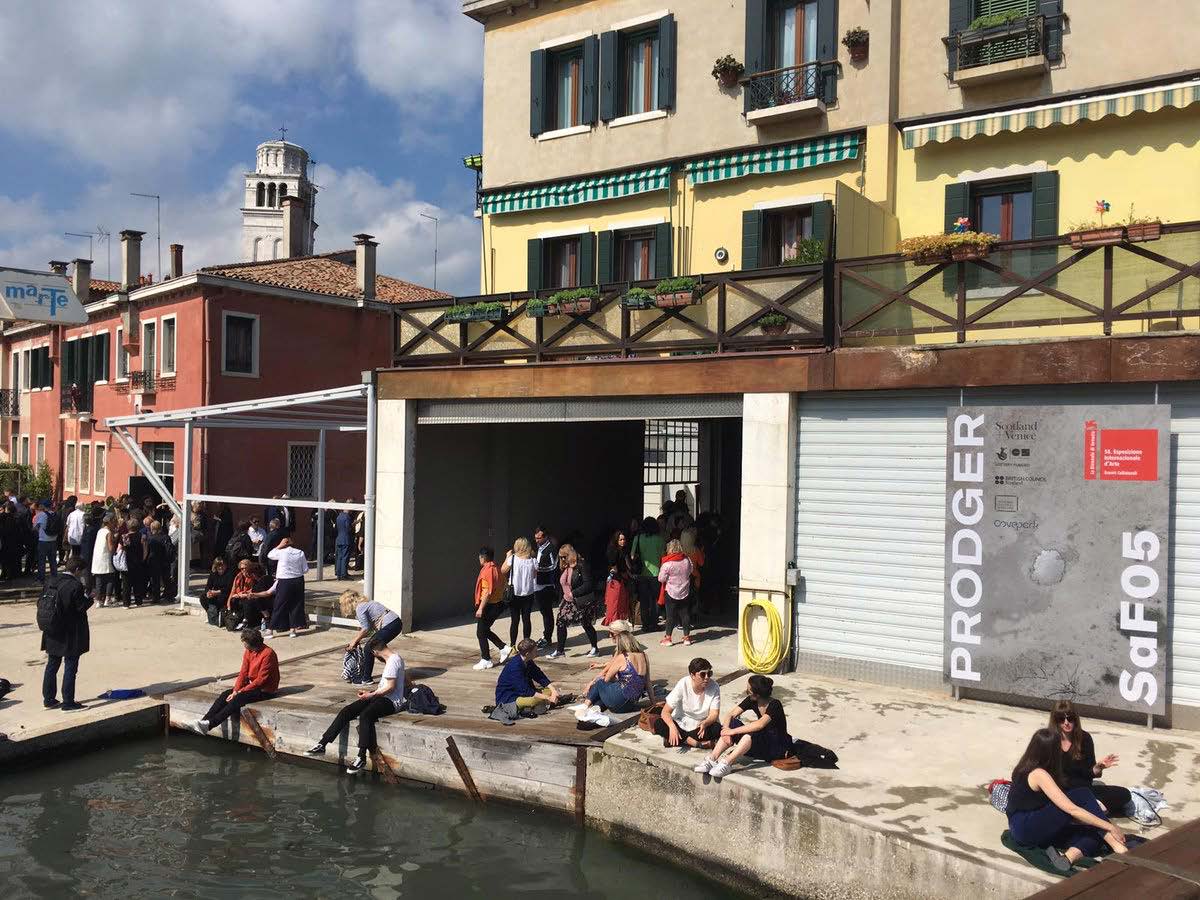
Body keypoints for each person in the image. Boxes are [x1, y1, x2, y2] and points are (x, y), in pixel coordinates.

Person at [1005, 728, 1128, 872]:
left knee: (1092, 829)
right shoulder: (1039, 774)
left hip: (1023, 828)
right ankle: (1117, 846)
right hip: (1026, 827)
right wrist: (1110, 826)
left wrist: (1094, 820)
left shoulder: (1024, 767)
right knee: (1082, 794)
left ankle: (1068, 857)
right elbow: (1071, 809)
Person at [305, 639, 406, 774]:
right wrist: (369, 693)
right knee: (347, 711)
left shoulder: (392, 662)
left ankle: (361, 757)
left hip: (392, 702)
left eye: (373, 655)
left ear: (375, 652)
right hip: (380, 696)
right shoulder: (394, 658)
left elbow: (390, 688)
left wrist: (371, 695)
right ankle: (322, 744)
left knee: (366, 715)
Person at [694, 674, 792, 778]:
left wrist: (732, 732)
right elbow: (730, 714)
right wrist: (726, 730)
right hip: (761, 741)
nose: (746, 691)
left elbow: (760, 724)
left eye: (748, 690)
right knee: (733, 723)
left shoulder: (775, 705)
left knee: (751, 732)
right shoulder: (752, 700)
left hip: (776, 747)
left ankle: (727, 763)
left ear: (756, 694)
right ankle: (712, 759)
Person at [1051, 700, 1132, 816]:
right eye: (1061, 719)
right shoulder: (1049, 739)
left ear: (1076, 719)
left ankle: (1077, 811)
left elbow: (1089, 773)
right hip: (1057, 791)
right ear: (1055, 720)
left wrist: (1099, 768)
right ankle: (1085, 811)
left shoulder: (1085, 738)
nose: (1066, 723)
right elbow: (1037, 767)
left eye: (1070, 718)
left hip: (1081, 790)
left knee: (1124, 794)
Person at [194, 628, 280, 733]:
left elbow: (261, 680)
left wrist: (239, 692)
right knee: (225, 694)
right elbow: (243, 673)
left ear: (251, 643)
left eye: (245, 642)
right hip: (253, 686)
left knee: (239, 698)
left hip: (265, 690)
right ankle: (204, 722)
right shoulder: (248, 651)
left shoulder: (268, 653)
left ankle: (210, 724)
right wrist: (235, 690)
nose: (243, 644)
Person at [40, 557, 93, 711]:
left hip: (52, 629)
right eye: (81, 571)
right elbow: (80, 607)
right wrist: (90, 598)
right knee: (70, 666)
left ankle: (49, 699)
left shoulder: (52, 580)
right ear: (77, 570)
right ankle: (68, 702)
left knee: (52, 664)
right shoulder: (75, 586)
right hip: (70, 633)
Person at [655, 657, 721, 750]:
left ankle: (676, 740)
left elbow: (714, 714)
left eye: (709, 674)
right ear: (692, 675)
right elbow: (665, 712)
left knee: (717, 728)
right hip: (681, 721)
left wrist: (706, 723)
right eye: (703, 674)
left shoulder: (714, 687)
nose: (707, 678)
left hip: (700, 725)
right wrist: (672, 727)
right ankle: (693, 742)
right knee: (659, 724)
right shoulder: (683, 683)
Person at [578, 631, 649, 718]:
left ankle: (585, 705)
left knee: (600, 682)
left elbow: (606, 679)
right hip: (631, 704)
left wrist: (595, 682)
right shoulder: (644, 656)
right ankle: (597, 707)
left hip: (618, 703)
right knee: (608, 691)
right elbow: (648, 682)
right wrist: (653, 703)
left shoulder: (623, 657)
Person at [548, 544, 599, 660]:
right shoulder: (565, 568)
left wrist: (573, 593)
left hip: (579, 600)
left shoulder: (581, 565)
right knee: (561, 621)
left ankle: (595, 647)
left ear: (570, 555)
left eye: (564, 557)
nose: (561, 559)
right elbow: (562, 584)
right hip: (567, 600)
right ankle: (560, 650)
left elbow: (588, 584)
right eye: (560, 557)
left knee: (586, 623)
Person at [340, 590, 402, 683]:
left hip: (390, 624)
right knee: (378, 649)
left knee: (368, 648)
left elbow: (366, 628)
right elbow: (368, 630)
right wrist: (358, 640)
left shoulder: (359, 608)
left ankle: (366, 679)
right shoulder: (365, 604)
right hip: (395, 623)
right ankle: (397, 670)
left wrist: (354, 640)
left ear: (348, 602)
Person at [495, 638, 560, 713]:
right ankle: (543, 703)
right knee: (534, 701)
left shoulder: (527, 660)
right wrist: (548, 698)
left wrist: (553, 690)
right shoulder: (515, 667)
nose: (537, 653)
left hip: (523, 692)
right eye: (535, 651)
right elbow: (526, 691)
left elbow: (539, 675)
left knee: (552, 691)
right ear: (527, 654)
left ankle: (545, 701)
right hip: (509, 697)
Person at [500, 537, 538, 660]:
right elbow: (534, 575)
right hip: (528, 593)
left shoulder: (513, 559)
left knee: (514, 620)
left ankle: (513, 646)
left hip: (515, 593)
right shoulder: (532, 560)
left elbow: (503, 570)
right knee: (526, 619)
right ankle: (527, 646)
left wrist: (507, 556)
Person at [267, 537, 309, 638]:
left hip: (284, 580)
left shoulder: (281, 552)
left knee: (279, 604)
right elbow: (305, 569)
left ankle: (270, 629)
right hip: (298, 580)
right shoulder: (300, 552)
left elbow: (270, 555)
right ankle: (293, 630)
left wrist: (279, 546)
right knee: (296, 604)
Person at [473, 547, 506, 670]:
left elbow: (487, 592)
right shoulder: (496, 568)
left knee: (481, 632)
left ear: (483, 557)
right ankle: (503, 648)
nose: (479, 559)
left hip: (489, 605)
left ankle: (486, 659)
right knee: (484, 630)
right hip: (497, 604)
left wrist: (481, 608)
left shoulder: (487, 571)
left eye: (480, 557)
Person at [657, 539, 694, 647]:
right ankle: (686, 638)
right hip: (685, 591)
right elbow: (691, 570)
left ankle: (668, 638)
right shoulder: (687, 560)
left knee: (670, 616)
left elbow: (661, 579)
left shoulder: (667, 564)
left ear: (670, 549)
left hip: (671, 592)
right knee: (685, 614)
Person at [631, 517, 665, 632]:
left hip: (641, 573)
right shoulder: (660, 540)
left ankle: (645, 624)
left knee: (644, 599)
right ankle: (654, 623)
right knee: (655, 599)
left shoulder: (637, 538)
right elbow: (663, 557)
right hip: (656, 573)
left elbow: (632, 556)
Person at [532, 526, 559, 648]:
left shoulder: (551, 548)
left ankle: (547, 637)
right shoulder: (538, 547)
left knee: (547, 612)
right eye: (536, 537)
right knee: (543, 611)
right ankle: (546, 636)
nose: (537, 540)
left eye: (539, 538)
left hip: (546, 584)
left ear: (546, 537)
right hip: (537, 584)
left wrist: (538, 569)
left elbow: (553, 565)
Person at [228, 559, 273, 630]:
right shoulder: (239, 577)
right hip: (260, 597)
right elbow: (235, 590)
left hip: (267, 600)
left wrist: (244, 595)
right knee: (234, 600)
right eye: (242, 568)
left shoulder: (262, 580)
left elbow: (257, 591)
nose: (244, 570)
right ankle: (240, 619)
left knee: (249, 601)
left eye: (245, 568)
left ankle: (251, 621)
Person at [602, 530, 634, 626]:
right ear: (616, 540)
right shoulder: (613, 551)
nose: (623, 541)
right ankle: (614, 627)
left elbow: (628, 566)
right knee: (614, 605)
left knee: (621, 604)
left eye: (624, 539)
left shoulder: (624, 551)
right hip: (615, 582)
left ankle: (619, 625)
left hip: (622, 581)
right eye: (620, 539)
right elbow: (614, 568)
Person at [90, 512, 117, 608]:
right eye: (113, 521)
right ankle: (107, 599)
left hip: (97, 557)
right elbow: (110, 548)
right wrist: (115, 544)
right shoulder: (108, 533)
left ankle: (98, 600)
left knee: (99, 580)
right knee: (110, 578)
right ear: (109, 522)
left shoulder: (100, 531)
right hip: (105, 557)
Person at [201, 557, 234, 626]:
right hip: (215, 593)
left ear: (225, 565)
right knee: (203, 597)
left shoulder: (230, 573)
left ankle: (216, 616)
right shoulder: (213, 573)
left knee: (220, 599)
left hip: (225, 593)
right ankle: (211, 615)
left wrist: (217, 592)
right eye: (219, 566)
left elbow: (229, 588)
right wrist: (208, 593)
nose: (221, 567)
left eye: (222, 565)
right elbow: (208, 586)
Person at [33, 500, 60, 583]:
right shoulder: (56, 514)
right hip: (53, 540)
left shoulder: (42, 515)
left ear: (44, 506)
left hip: (43, 540)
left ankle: (41, 578)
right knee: (53, 560)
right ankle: (54, 577)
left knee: (42, 560)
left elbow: (35, 527)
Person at [145, 521, 171, 603]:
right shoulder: (166, 537)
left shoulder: (150, 539)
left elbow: (147, 550)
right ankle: (168, 596)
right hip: (165, 561)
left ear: (152, 528)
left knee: (155, 580)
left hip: (154, 561)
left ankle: (156, 598)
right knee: (166, 579)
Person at [334, 504, 353, 580]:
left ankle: (338, 574)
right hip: (345, 539)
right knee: (345, 557)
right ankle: (344, 574)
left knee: (339, 557)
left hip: (339, 539)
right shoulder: (347, 517)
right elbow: (348, 528)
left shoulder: (338, 517)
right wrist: (352, 525)